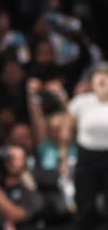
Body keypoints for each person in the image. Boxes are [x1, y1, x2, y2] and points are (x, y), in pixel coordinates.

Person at [63, 61, 108, 229]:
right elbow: (66, 132)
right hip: (86, 157)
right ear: (91, 80)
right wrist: (64, 157)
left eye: (107, 75)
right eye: (98, 75)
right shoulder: (81, 102)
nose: (102, 79)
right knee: (86, 207)